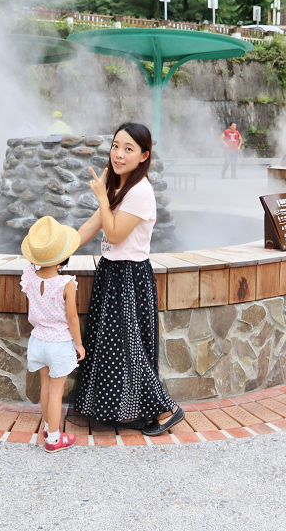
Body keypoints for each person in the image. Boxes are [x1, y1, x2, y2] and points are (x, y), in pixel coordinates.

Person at [72, 122, 184, 436]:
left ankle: (167, 409)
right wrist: (55, 249)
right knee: (111, 348)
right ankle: (130, 411)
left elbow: (115, 233)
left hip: (130, 277)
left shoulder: (141, 191)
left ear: (144, 155)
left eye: (128, 149)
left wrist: (101, 198)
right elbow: (91, 228)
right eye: (116, 146)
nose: (118, 154)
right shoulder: (118, 186)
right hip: (111, 272)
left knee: (130, 348)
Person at [20, 216, 86, 452]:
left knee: (45, 388)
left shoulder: (29, 277)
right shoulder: (65, 283)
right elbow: (72, 318)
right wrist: (79, 344)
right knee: (57, 392)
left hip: (38, 341)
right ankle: (54, 439)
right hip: (58, 344)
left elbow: (30, 264)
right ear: (63, 257)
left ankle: (48, 428)